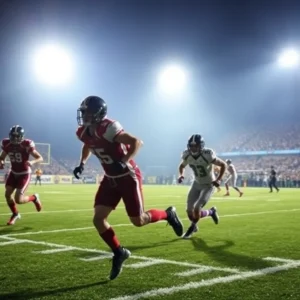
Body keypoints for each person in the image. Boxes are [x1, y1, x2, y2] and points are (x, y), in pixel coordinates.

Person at [74, 96, 183, 280]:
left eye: (88, 112)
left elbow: (137, 142)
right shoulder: (83, 132)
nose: (84, 115)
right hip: (110, 178)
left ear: (98, 114)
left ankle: (168, 214)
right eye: (83, 111)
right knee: (98, 219)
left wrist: (123, 162)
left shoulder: (108, 127)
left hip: (127, 176)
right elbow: (88, 145)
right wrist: (82, 163)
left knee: (138, 221)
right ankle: (119, 252)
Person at [178, 134, 226, 239]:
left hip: (209, 185)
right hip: (196, 183)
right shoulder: (187, 155)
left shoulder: (207, 154)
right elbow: (182, 166)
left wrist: (218, 179)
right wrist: (181, 175)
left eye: (196, 145)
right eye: (191, 145)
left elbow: (223, 164)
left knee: (197, 207)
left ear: (201, 146)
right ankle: (211, 212)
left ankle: (192, 228)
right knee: (189, 210)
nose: (193, 148)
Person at [0, 125, 43, 225]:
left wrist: (32, 162)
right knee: (7, 195)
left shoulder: (26, 144)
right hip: (13, 172)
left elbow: (40, 157)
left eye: (17, 136)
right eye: (13, 136)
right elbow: (1, 157)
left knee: (18, 200)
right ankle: (15, 214)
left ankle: (34, 198)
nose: (15, 138)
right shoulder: (6, 144)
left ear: (21, 136)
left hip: (24, 173)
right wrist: (1, 161)